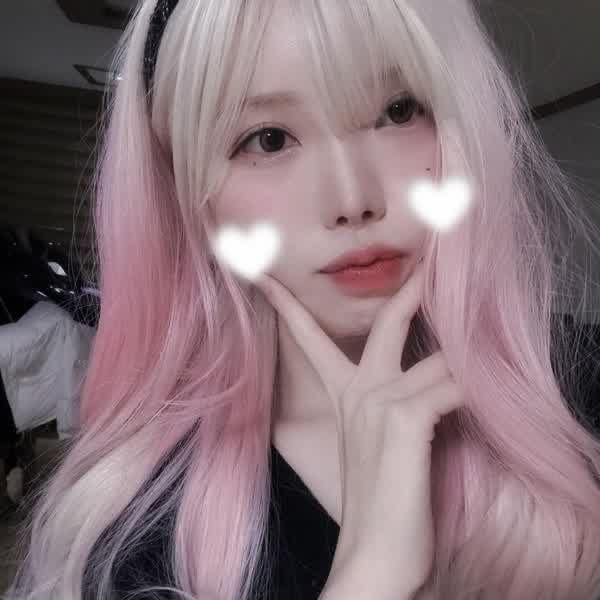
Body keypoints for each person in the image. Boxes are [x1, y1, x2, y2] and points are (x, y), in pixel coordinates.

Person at [6, 0, 600, 599]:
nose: (352, 199)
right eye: (268, 140)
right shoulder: (135, 524)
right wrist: (370, 574)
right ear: (187, 195)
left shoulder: (577, 382)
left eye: (398, 111)